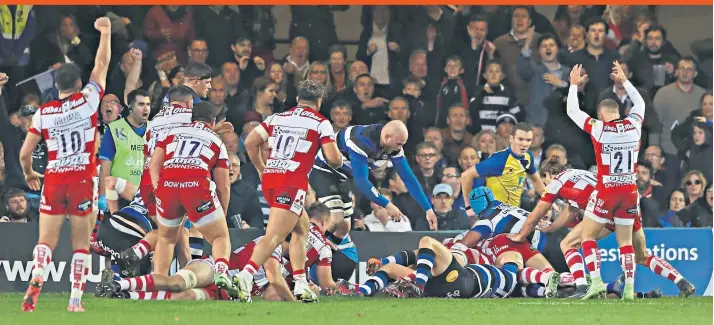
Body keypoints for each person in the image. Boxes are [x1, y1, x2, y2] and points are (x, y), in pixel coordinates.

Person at [19, 17, 112, 313]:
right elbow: (102, 65)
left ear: (57, 85)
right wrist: (106, 33)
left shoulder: (44, 113)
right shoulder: (88, 100)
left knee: (46, 240)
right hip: (82, 178)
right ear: (79, 84)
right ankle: (74, 301)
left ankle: (35, 282)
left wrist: (29, 172)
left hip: (54, 178)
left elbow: (25, 153)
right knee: (80, 245)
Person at [230, 80, 343, 303]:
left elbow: (251, 142)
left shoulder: (276, 118)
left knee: (302, 229)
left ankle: (300, 282)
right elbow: (333, 158)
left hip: (271, 179)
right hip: (291, 182)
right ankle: (245, 275)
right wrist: (339, 159)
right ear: (318, 102)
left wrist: (262, 168)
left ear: (298, 99)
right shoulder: (321, 122)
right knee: (275, 235)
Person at [566, 62, 644, 300]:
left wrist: (572, 87)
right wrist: (624, 82)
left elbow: (573, 112)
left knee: (587, 236)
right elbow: (640, 103)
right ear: (620, 112)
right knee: (625, 242)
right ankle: (629, 288)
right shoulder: (634, 125)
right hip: (630, 191)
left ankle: (597, 281)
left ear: (601, 114)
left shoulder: (599, 128)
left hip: (606, 190)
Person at [309, 120, 439, 248]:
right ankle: (305, 252)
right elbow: (361, 182)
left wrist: (428, 209)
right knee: (335, 220)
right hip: (324, 171)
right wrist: (387, 205)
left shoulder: (392, 144)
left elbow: (409, 178)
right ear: (387, 137)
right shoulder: (361, 141)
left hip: (344, 176)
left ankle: (323, 258)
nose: (400, 148)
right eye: (399, 144)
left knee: (344, 227)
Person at [148, 101, 231, 280]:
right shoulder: (216, 141)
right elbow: (223, 185)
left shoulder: (172, 134)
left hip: (167, 188)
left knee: (166, 239)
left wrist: (158, 189)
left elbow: (154, 165)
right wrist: (222, 212)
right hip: (196, 188)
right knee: (220, 237)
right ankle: (222, 274)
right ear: (213, 121)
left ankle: (158, 282)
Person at [360, 235, 518, 299]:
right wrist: (382, 263)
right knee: (390, 268)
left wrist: (383, 260)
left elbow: (415, 254)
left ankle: (417, 285)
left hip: (462, 280)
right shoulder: (498, 257)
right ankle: (361, 291)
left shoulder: (468, 250)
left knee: (427, 242)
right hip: (445, 286)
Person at [460, 122, 546, 214]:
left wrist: (550, 201)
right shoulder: (499, 160)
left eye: (528, 140)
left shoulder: (528, 157)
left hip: (514, 212)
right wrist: (469, 207)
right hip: (495, 214)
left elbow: (536, 180)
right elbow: (465, 175)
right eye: (520, 139)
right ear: (511, 138)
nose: (524, 144)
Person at [98, 89, 151, 212]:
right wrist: (103, 195)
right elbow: (105, 167)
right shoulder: (113, 130)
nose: (146, 109)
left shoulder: (155, 128)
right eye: (141, 104)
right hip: (119, 195)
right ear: (131, 107)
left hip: (147, 196)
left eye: (148, 104)